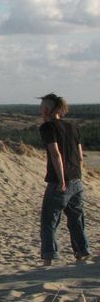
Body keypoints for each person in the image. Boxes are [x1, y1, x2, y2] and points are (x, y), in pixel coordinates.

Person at [38, 93, 90, 266]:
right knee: (76, 220)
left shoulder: (48, 127)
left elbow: (55, 154)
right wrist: (78, 177)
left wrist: (61, 180)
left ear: (47, 109)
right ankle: (82, 254)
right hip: (77, 181)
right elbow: (80, 156)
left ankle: (48, 259)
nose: (41, 111)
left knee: (49, 221)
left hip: (59, 182)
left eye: (42, 107)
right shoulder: (73, 127)